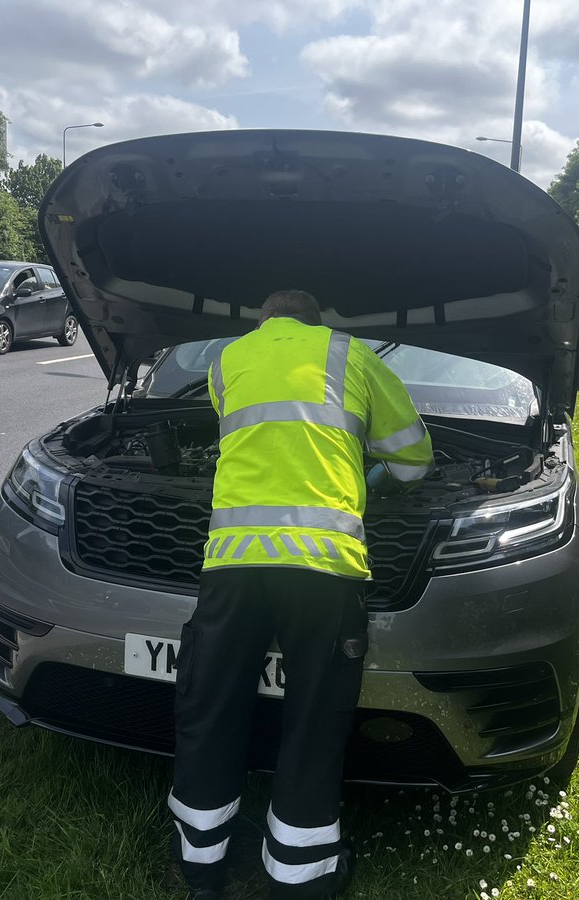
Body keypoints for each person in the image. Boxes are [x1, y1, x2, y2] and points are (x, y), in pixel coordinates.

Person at [169, 290, 434, 899]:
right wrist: (371, 471)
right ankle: (298, 874)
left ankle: (202, 863)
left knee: (211, 704)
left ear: (266, 322)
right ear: (319, 322)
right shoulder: (351, 355)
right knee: (313, 715)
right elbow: (415, 462)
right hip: (323, 567)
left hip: (232, 563)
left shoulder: (226, 360)